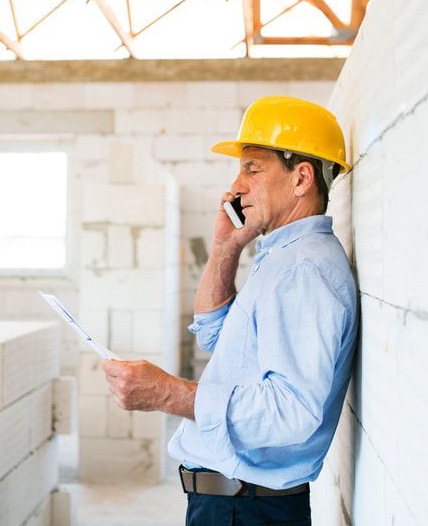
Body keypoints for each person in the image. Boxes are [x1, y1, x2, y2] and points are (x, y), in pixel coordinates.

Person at [101, 96, 358, 525]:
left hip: (247, 510)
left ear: (301, 178)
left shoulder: (303, 270)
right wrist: (226, 247)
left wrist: (168, 393)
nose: (236, 186)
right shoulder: (281, 257)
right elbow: (213, 336)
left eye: (252, 169)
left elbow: (290, 410)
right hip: (238, 504)